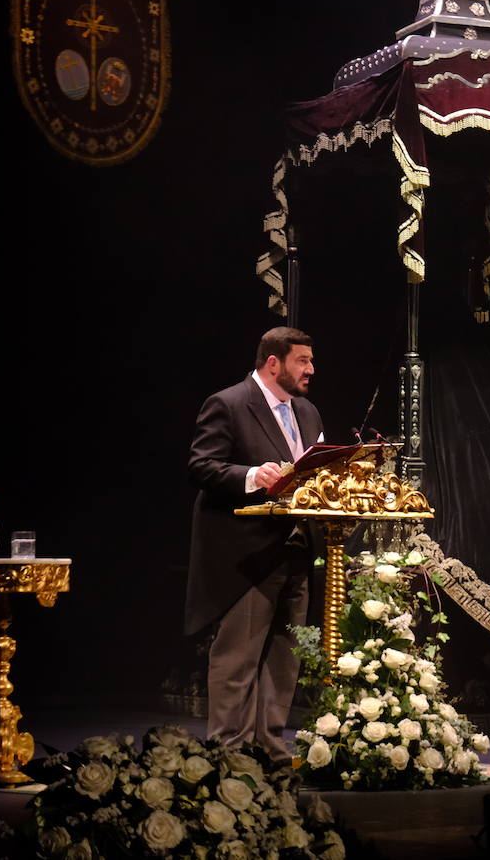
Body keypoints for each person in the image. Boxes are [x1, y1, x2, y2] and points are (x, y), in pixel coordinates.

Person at [185, 326, 324, 762]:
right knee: (238, 657)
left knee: (285, 656)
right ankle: (229, 750)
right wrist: (251, 476)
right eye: (302, 361)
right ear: (273, 363)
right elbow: (201, 465)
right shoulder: (228, 404)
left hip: (296, 547)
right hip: (246, 553)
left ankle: (268, 745)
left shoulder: (308, 413)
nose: (310, 370)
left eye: (311, 361)